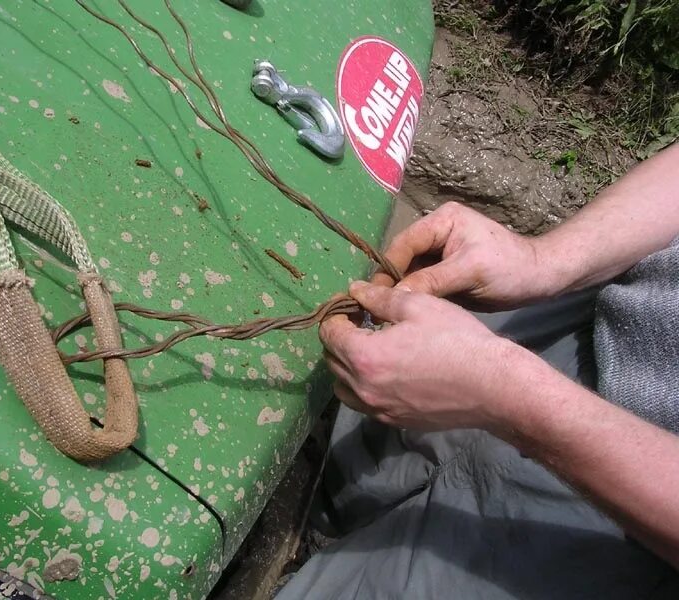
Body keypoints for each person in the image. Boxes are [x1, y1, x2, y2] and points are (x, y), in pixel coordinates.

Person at [275, 143, 679, 599]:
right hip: (588, 313)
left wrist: (505, 391)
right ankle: (302, 540)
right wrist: (546, 262)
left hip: (634, 525)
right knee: (351, 460)